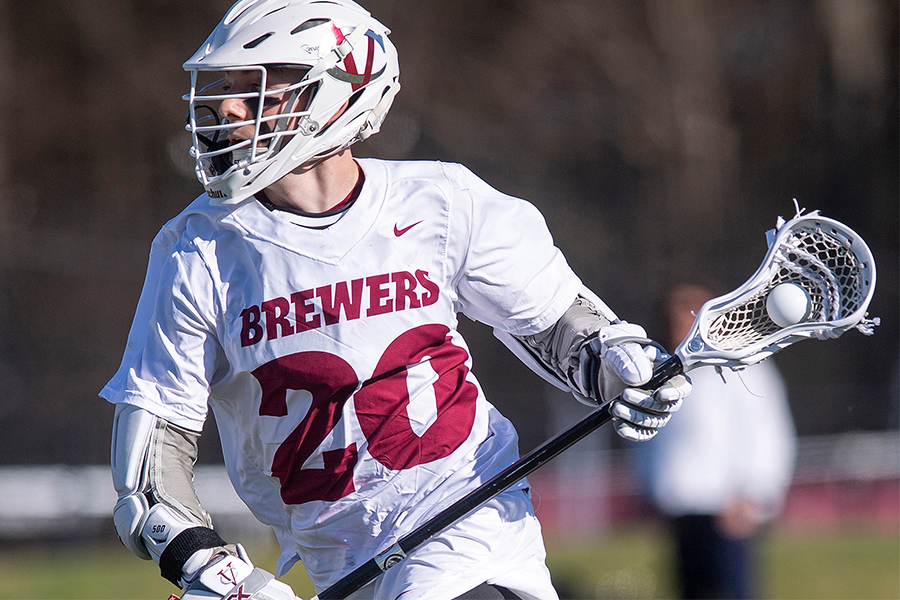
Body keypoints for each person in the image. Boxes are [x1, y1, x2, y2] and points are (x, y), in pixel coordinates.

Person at [100, 2, 691, 599]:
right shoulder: (197, 250)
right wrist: (218, 576)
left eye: (258, 87)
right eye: (225, 88)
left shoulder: (441, 202)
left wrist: (619, 363)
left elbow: (564, 329)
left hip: (467, 531)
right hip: (337, 563)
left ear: (338, 92)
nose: (227, 107)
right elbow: (149, 476)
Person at [639, 283, 797, 600]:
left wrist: (754, 494)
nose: (678, 328)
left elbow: (768, 435)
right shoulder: (663, 375)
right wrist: (652, 489)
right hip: (682, 513)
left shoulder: (746, 371)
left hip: (727, 512)